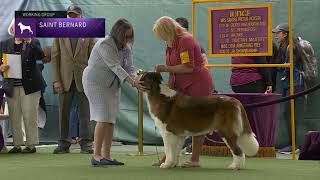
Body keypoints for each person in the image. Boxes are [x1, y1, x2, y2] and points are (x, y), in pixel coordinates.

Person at [82, 18, 146, 166]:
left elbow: (130, 68)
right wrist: (132, 82)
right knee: (103, 117)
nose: (129, 40)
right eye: (126, 37)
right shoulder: (105, 44)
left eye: (131, 36)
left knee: (111, 119)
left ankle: (107, 156)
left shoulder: (127, 47)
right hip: (95, 83)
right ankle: (96, 156)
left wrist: (137, 80)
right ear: (118, 34)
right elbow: (116, 67)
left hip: (112, 84)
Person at [153, 16, 214, 167]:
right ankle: (170, 157)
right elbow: (175, 69)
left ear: (167, 30)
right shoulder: (171, 42)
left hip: (197, 84)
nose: (160, 38)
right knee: (173, 122)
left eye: (161, 34)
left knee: (198, 120)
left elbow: (188, 67)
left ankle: (195, 159)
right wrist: (169, 86)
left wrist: (165, 69)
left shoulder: (185, 40)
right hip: (180, 85)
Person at [51, 5, 96, 154]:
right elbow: (55, 57)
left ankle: (86, 144)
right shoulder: (59, 32)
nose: (72, 17)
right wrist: (56, 80)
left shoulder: (89, 32)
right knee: (63, 113)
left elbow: (93, 58)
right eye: (70, 15)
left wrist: (92, 79)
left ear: (81, 17)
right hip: (64, 79)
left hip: (84, 79)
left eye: (75, 15)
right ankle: (63, 144)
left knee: (86, 113)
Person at [0, 19, 44, 153]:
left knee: (29, 115)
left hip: (30, 86)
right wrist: (1, 67)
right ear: (12, 30)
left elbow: (40, 56)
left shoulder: (33, 41)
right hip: (11, 86)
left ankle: (31, 145)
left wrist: (29, 41)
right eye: (15, 27)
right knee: (14, 116)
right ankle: (17, 144)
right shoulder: (4, 44)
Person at [273, 23, 305, 153]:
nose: (276, 36)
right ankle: (293, 144)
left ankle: (295, 145)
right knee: (288, 113)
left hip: (296, 85)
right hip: (289, 85)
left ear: (285, 34)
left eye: (278, 33)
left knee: (291, 114)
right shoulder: (284, 47)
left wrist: (276, 65)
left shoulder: (291, 48)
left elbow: (288, 67)